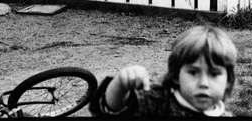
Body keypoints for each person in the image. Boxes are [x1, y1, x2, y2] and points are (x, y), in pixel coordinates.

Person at [89, 25, 238, 117]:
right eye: (193, 72)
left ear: (228, 81)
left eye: (214, 74)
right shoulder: (158, 102)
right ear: (176, 75)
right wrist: (121, 85)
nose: (203, 83)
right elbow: (112, 110)